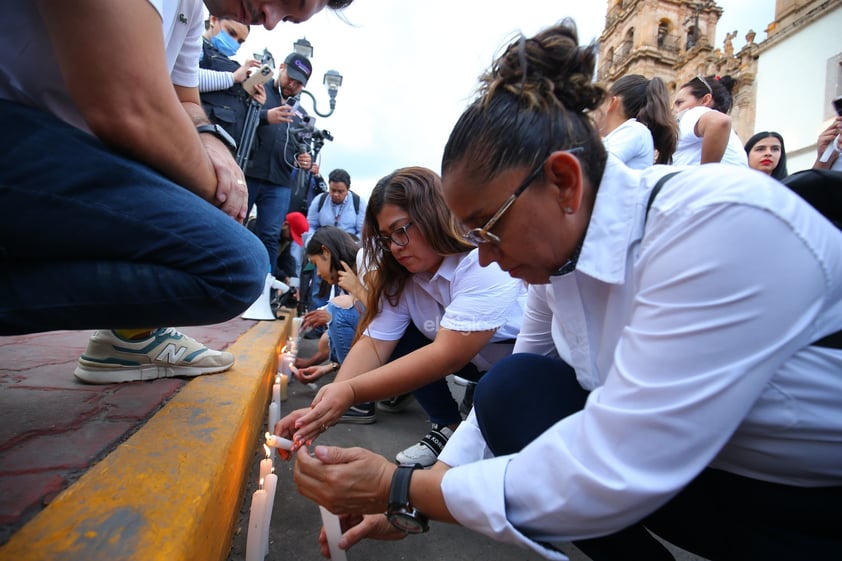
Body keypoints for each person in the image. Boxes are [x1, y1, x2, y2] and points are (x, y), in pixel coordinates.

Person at [290, 20, 842, 561]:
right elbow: (500, 403)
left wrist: (400, 486)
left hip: (803, 496)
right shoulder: (558, 267)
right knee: (512, 387)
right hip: (703, 469)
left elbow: (619, 462)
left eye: (489, 226)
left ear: (565, 182)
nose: (482, 255)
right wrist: (414, 504)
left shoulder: (712, 226)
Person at [0, 0, 353, 383]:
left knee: (238, 263)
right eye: (286, 2)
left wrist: (213, 143)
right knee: (235, 264)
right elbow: (128, 103)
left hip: (73, 154)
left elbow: (185, 99)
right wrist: (220, 190)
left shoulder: (192, 10)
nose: (270, 21)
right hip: (23, 133)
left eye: (287, 18)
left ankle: (132, 334)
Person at [280, 166, 527, 467]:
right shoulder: (405, 278)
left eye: (401, 231)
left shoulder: (480, 261)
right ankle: (447, 427)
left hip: (516, 368)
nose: (395, 247)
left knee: (495, 401)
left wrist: (350, 393)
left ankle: (477, 441)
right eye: (386, 238)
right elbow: (374, 343)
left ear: (432, 215)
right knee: (396, 333)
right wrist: (321, 408)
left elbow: (446, 355)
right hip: (474, 365)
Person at [243, 51, 315, 286]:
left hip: (280, 181)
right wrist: (265, 116)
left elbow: (302, 146)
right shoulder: (258, 85)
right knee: (235, 225)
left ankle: (261, 288)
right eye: (290, 78)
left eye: (299, 84)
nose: (292, 85)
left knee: (270, 236)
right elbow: (238, 117)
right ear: (281, 67)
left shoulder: (301, 114)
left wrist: (305, 159)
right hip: (248, 172)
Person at [198, 15, 264, 146]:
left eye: (240, 41)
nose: (234, 42)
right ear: (213, 20)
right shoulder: (195, 45)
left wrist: (253, 102)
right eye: (231, 33)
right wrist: (232, 78)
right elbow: (185, 77)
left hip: (228, 146)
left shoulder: (231, 63)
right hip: (200, 140)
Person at [592, 74, 676, 168]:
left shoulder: (635, 130)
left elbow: (595, 166)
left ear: (612, 102)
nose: (594, 109)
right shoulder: (631, 132)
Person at [672, 74, 748, 166]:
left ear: (705, 100)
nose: (675, 110)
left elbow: (719, 121)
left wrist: (706, 173)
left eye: (679, 103)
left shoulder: (694, 112)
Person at [304, 168, 366, 242]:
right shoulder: (319, 200)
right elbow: (310, 226)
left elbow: (363, 232)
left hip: (349, 245)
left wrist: (353, 245)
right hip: (323, 244)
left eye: (340, 191)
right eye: (332, 190)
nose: (336, 194)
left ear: (348, 189)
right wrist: (311, 242)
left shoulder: (359, 202)